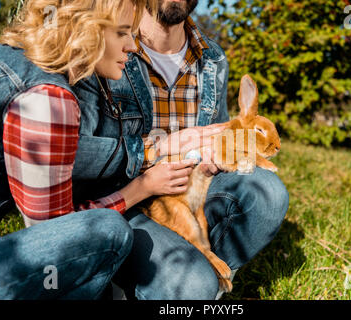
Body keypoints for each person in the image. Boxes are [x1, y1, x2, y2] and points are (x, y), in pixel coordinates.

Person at [0, 0, 221, 299]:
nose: (132, 47)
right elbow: (60, 234)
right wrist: (141, 188)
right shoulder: (49, 99)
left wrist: (152, 150)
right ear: (85, 30)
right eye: (122, 33)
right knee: (108, 231)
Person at [72, 0, 290, 299]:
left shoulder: (212, 58)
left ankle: (208, 274)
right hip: (129, 198)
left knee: (268, 193)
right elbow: (79, 153)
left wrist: (217, 155)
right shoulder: (111, 44)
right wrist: (153, 153)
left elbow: (220, 131)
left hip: (193, 189)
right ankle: (144, 278)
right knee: (191, 285)